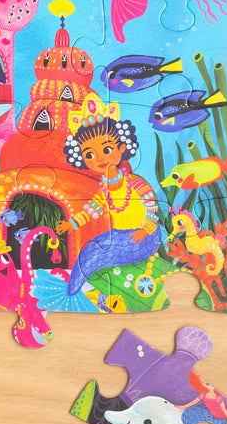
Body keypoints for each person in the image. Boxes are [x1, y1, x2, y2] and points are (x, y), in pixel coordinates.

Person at [58, 102, 161, 295]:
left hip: (147, 236)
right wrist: (70, 225)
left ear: (121, 148)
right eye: (89, 154)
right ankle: (73, 292)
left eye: (106, 149)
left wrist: (144, 231)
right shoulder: (104, 190)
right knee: (89, 252)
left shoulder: (136, 183)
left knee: (97, 255)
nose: (99, 158)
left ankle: (78, 291)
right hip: (122, 235)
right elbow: (91, 210)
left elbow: (153, 209)